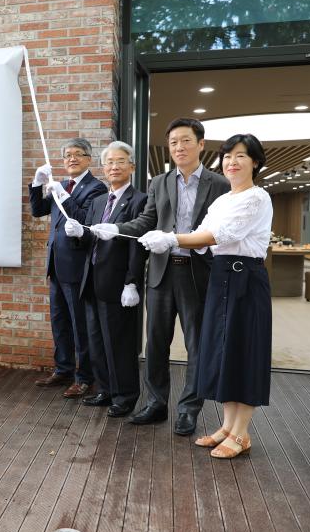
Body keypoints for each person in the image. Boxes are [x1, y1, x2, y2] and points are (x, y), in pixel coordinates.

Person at [90, 118, 230, 435]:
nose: (179, 147)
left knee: (196, 345)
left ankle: (189, 409)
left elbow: (220, 231)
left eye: (185, 141)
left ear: (201, 144)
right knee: (155, 344)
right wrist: (117, 229)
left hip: (197, 273)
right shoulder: (160, 183)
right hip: (161, 273)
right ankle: (156, 403)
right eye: (173, 143)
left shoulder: (218, 185)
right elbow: (145, 221)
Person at [137, 133, 272, 458]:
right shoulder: (223, 199)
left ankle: (241, 433)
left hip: (245, 279)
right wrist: (175, 239)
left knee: (244, 352)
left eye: (240, 156)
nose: (232, 162)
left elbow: (220, 234)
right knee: (223, 352)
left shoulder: (257, 197)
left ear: (254, 161)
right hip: (221, 278)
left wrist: (171, 239)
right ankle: (227, 426)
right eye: (227, 156)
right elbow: (202, 235)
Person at [64, 141, 147, 416]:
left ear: (132, 166)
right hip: (92, 281)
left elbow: (137, 243)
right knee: (97, 340)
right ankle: (106, 389)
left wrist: (132, 281)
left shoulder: (140, 200)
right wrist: (79, 233)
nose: (114, 166)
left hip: (119, 283)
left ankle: (125, 395)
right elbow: (91, 238)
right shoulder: (99, 200)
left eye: (120, 161)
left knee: (119, 344)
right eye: (109, 162)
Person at [29, 138, 106, 397]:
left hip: (77, 267)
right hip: (56, 264)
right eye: (67, 155)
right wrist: (37, 184)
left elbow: (83, 220)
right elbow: (38, 210)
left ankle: (84, 377)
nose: (71, 159)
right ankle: (62, 369)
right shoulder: (59, 184)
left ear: (88, 159)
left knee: (79, 324)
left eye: (78, 154)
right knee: (59, 321)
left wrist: (64, 195)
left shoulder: (96, 188)